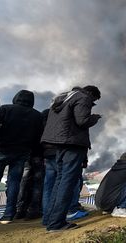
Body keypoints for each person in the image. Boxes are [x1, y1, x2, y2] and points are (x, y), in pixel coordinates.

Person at [41, 86, 101, 232]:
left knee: (60, 181)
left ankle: (51, 219)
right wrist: (94, 118)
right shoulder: (83, 97)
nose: (92, 102)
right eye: (94, 100)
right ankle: (56, 224)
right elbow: (82, 121)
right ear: (92, 94)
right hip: (72, 144)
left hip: (59, 144)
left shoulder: (63, 97)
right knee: (67, 182)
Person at [0, 90, 43, 224]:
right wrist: (33, 152)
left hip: (1, 149)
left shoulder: (5, 109)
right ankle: (8, 214)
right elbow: (37, 137)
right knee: (14, 183)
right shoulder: (37, 115)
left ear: (16, 97)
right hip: (22, 152)